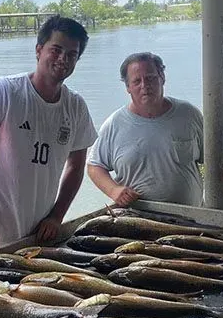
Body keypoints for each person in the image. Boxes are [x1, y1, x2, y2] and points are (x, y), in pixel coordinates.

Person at [0, 16, 98, 250]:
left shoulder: (75, 106)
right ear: (38, 50)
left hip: (41, 235)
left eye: (72, 54)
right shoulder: (4, 91)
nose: (63, 59)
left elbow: (76, 166)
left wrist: (57, 215)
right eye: (56, 50)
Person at [87, 52, 203, 207]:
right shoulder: (114, 124)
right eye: (137, 81)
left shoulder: (189, 114)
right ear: (128, 87)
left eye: (150, 78)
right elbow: (94, 166)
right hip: (137, 219)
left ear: (162, 77)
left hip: (191, 219)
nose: (144, 86)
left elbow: (213, 157)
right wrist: (114, 190)